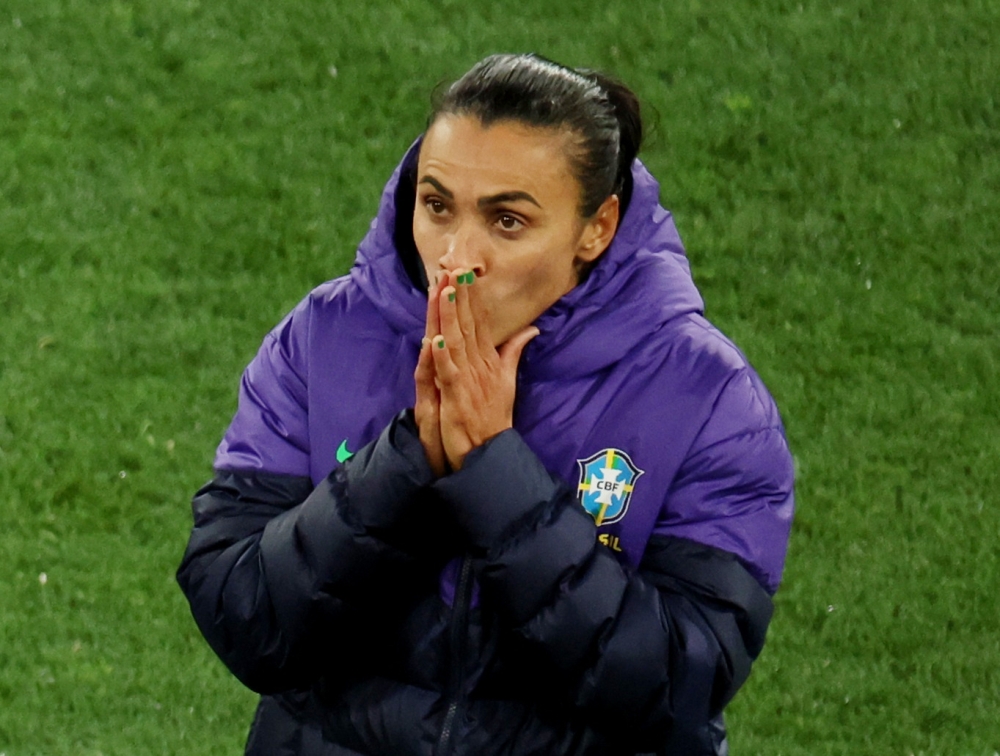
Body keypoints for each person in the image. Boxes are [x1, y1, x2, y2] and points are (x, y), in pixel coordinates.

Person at [177, 53, 794, 756]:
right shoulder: (323, 342)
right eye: (437, 207)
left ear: (598, 226)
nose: (456, 257)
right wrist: (405, 465)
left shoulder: (706, 401)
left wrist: (499, 484)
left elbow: (676, 686)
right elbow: (245, 618)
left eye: (507, 221)